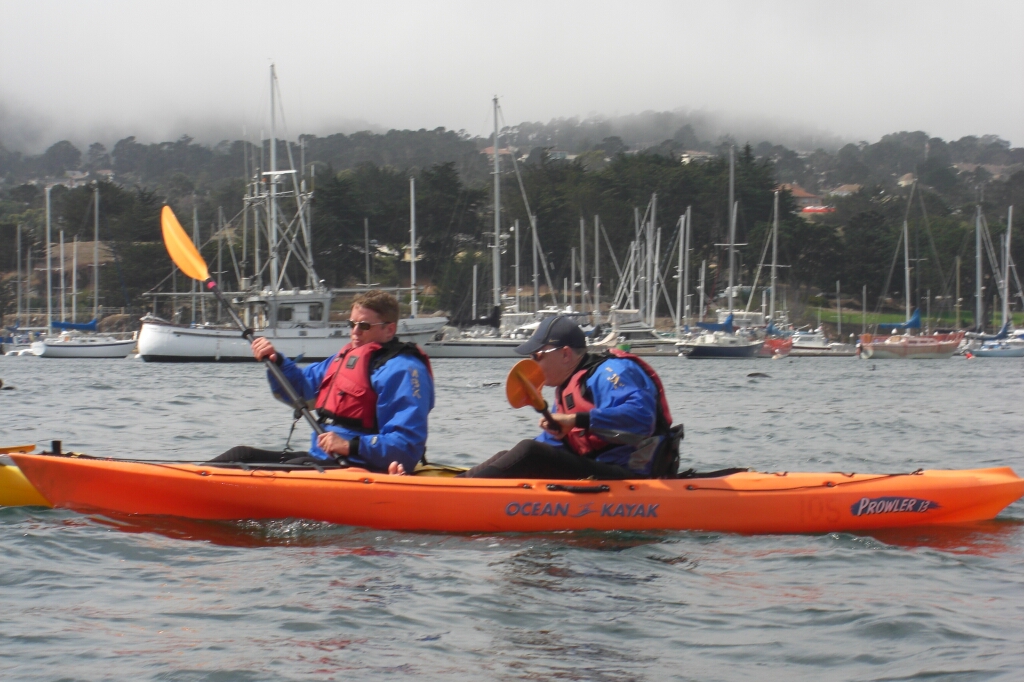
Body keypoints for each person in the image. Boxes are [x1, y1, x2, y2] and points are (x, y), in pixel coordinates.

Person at [209, 290, 434, 474]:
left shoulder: (404, 370)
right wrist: (276, 361)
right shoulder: (346, 359)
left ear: (389, 329)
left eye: (364, 326)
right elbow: (301, 390)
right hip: (323, 459)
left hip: (359, 466)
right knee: (240, 455)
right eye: (352, 324)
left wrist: (349, 445)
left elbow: (406, 445)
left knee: (277, 470)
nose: (355, 332)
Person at [460, 315, 679, 479]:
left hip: (631, 476)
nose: (532, 364)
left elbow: (642, 419)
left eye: (537, 356)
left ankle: (465, 494)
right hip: (597, 470)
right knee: (512, 454)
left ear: (565, 354)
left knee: (529, 451)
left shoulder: (610, 373)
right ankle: (459, 483)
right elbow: (553, 447)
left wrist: (576, 420)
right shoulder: (566, 388)